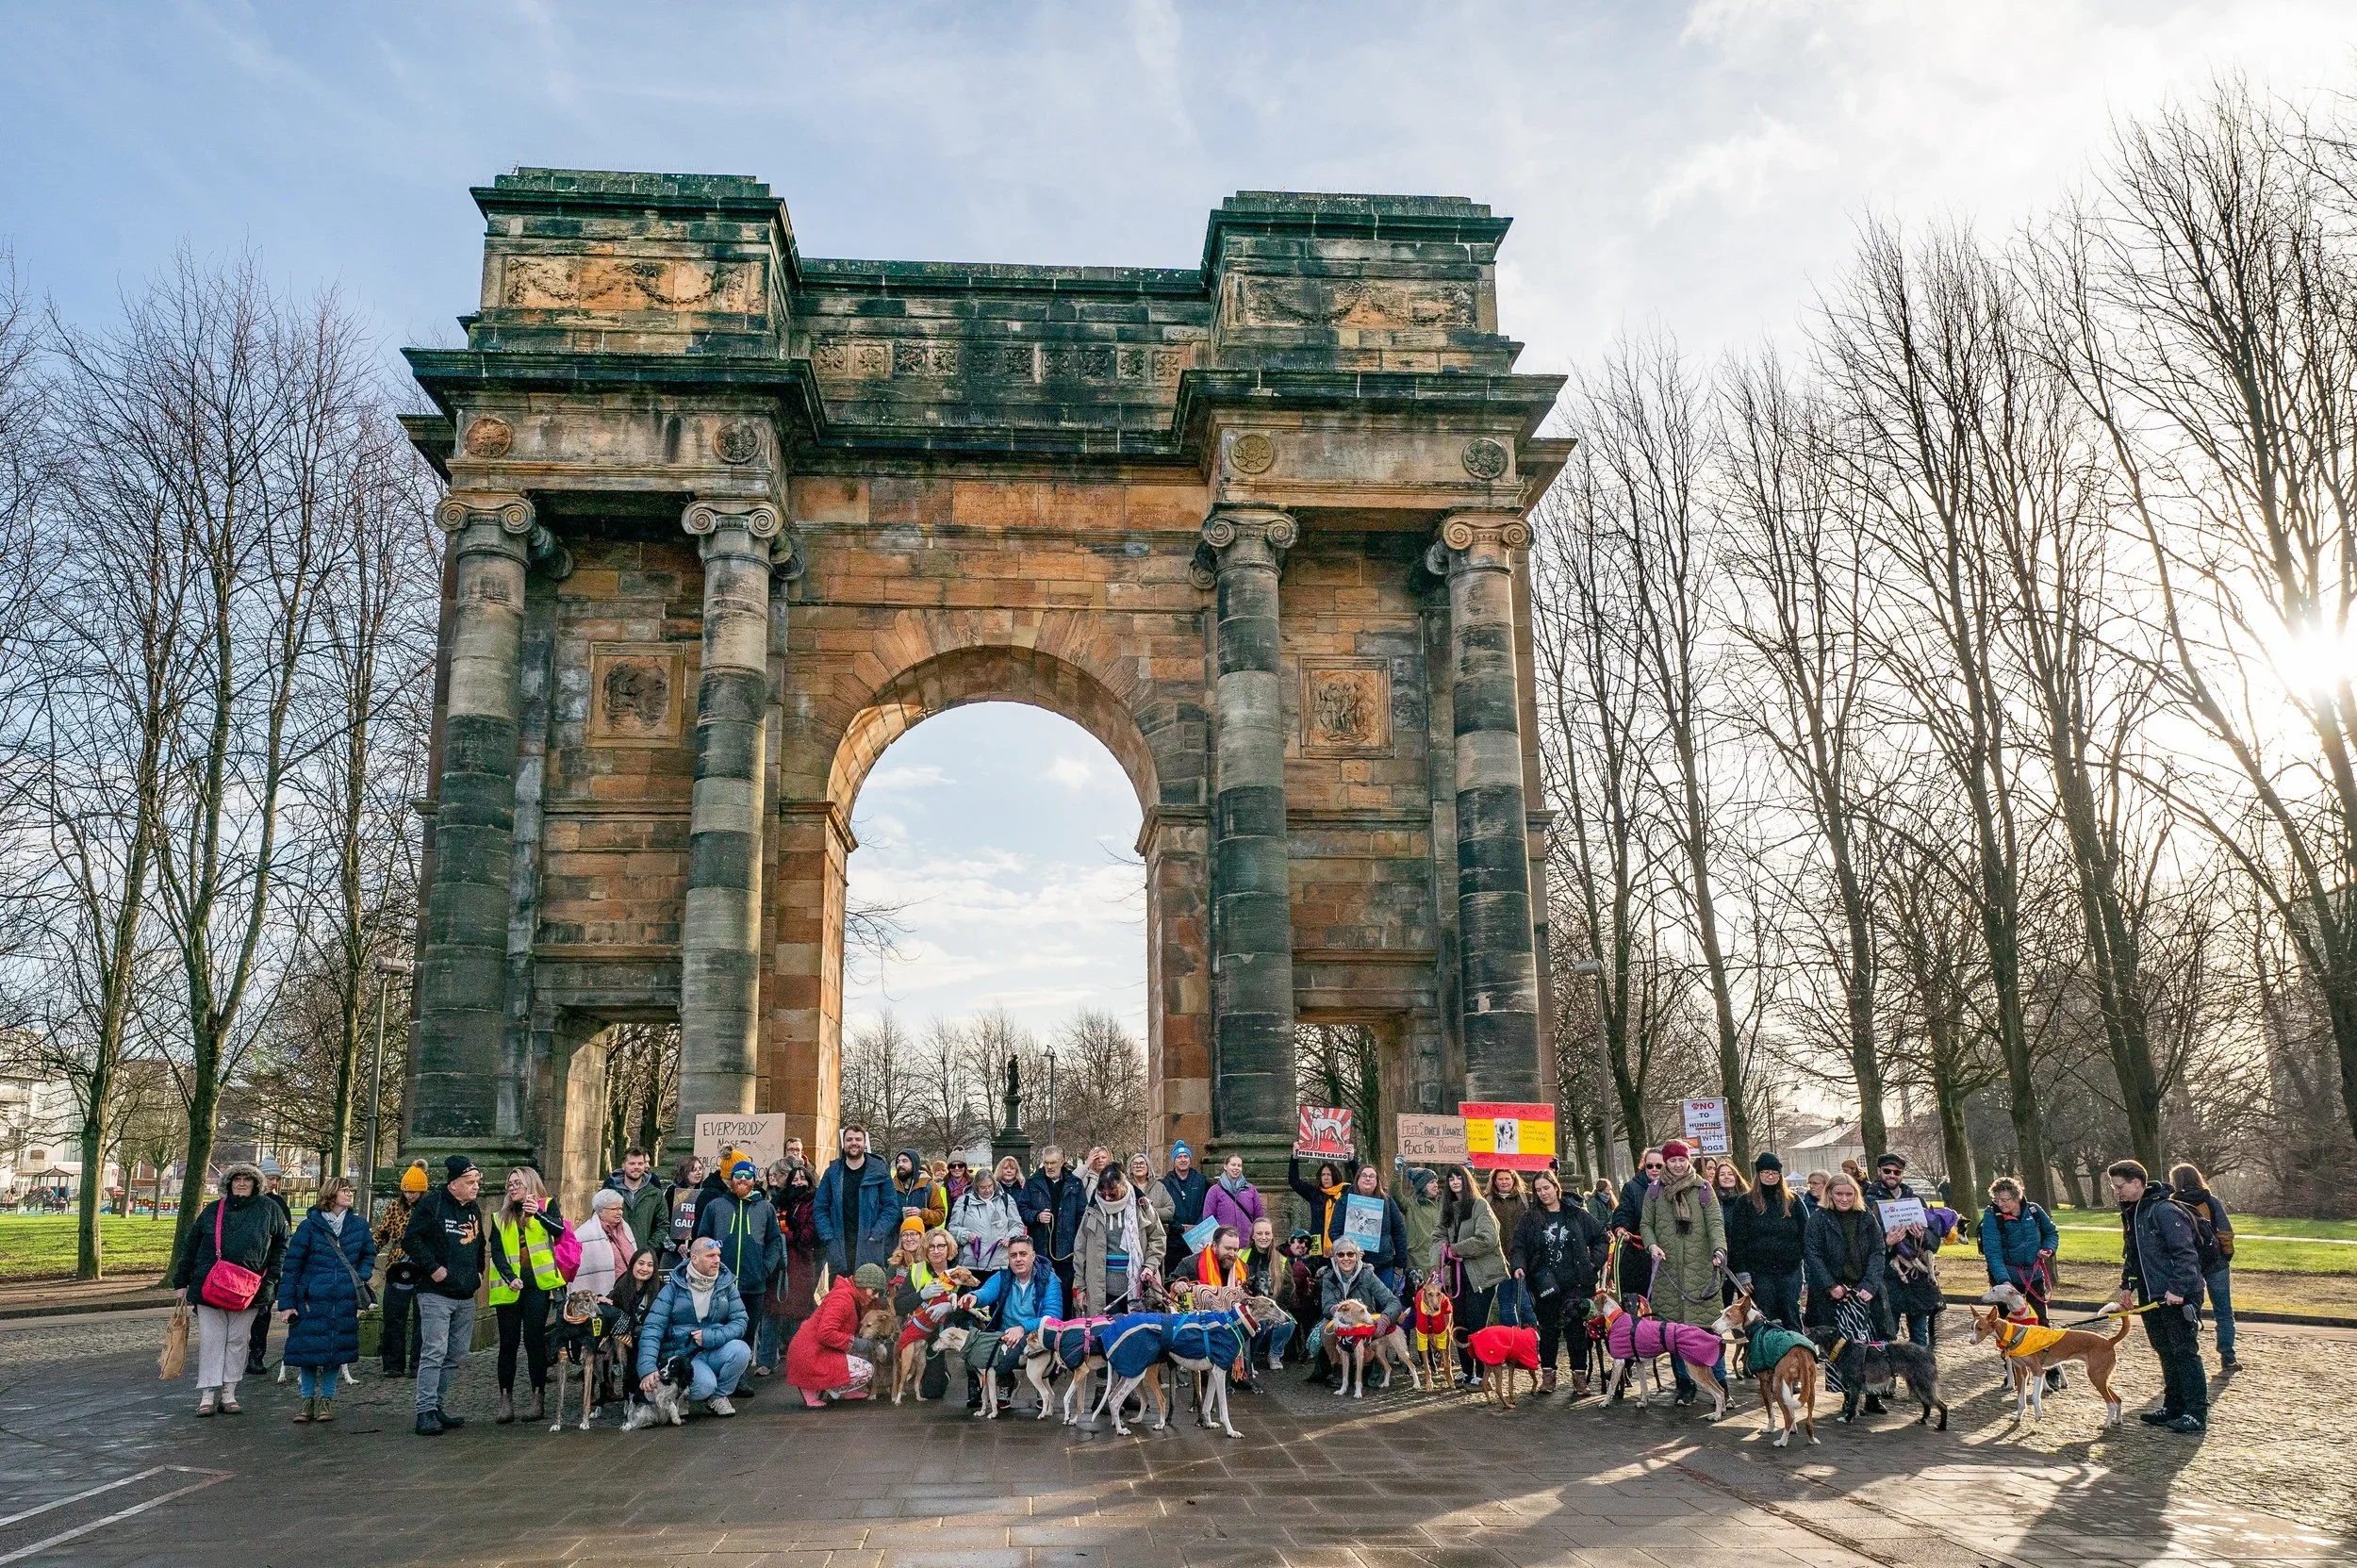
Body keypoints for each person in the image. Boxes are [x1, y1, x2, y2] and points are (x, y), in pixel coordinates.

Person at [172, 1160, 290, 1417]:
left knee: (237, 1341)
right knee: (212, 1341)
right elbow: (191, 1245)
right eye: (237, 1180)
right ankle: (207, 1393)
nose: (242, 1184)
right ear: (228, 1184)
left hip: (250, 1288)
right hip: (210, 1285)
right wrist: (181, 1281)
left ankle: (229, 1392)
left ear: (255, 1184)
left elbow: (282, 1244)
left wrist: (271, 1278)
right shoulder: (213, 1210)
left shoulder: (270, 1210)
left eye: (247, 1180)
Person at [2112, 1159, 2208, 1432]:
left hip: (2177, 1295)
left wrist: (2178, 1289)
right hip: (2152, 1295)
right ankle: (2174, 1404)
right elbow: (2132, 1254)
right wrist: (2127, 1285)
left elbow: (2185, 1254)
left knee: (2185, 1352)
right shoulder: (2134, 1213)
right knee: (2165, 1350)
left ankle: (2196, 1412)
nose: (2117, 1191)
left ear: (2136, 1183)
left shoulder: (2164, 1211)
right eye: (2114, 1186)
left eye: (2120, 1186)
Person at [276, 1176, 375, 1424]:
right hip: (311, 1299)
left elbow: (368, 1254)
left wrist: (360, 1276)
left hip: (343, 1298)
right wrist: (287, 1303)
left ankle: (327, 1401)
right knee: (308, 1352)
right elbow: (292, 1266)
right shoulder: (310, 1227)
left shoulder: (358, 1226)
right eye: (345, 1190)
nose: (350, 1193)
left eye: (350, 1189)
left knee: (335, 1351)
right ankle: (307, 1400)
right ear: (331, 1194)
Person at [403, 1154, 486, 1436]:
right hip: (436, 1292)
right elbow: (411, 1239)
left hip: (465, 1294)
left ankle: (436, 1405)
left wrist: (479, 1273)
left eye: (477, 1182)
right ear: (453, 1184)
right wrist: (434, 1268)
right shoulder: (432, 1205)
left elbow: (479, 1242)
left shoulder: (474, 1209)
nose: (475, 1187)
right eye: (470, 1181)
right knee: (434, 1351)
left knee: (457, 1352)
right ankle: (424, 1411)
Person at [1640, 1140, 1727, 1407]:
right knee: (1675, 1333)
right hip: (1669, 1273)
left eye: (1682, 1159)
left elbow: (1715, 1222)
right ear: (1665, 1162)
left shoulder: (1704, 1189)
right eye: (1673, 1160)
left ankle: (1721, 1384)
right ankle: (1685, 1386)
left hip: (1701, 1269)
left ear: (1689, 1160)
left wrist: (1719, 1250)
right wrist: (1652, 1244)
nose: (1678, 1164)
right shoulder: (1654, 1191)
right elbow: (1646, 1224)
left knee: (1709, 1332)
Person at [1509, 1169, 1607, 1396]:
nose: (1543, 1193)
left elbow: (1601, 1237)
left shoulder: (1576, 1213)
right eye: (1538, 1190)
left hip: (1576, 1283)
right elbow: (1518, 1245)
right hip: (1544, 1284)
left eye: (1547, 1188)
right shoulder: (1529, 1218)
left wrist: (1593, 1262)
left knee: (1576, 1331)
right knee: (1549, 1330)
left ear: (1556, 1187)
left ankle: (1579, 1378)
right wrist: (1518, 1265)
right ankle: (1548, 1376)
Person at [487, 1165, 570, 1425]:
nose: (512, 1187)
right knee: (508, 1344)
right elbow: (498, 1253)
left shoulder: (546, 1205)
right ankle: (505, 1399)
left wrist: (538, 1215)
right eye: (510, 1183)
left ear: (530, 1185)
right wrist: (509, 1277)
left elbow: (559, 1232)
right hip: (509, 1287)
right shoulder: (499, 1217)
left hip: (538, 1286)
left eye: (517, 1183)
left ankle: (538, 1398)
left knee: (533, 1341)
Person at [636, 1236, 751, 1418]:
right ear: (694, 1258)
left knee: (741, 1350)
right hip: (683, 1357)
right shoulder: (672, 1289)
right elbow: (652, 1329)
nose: (717, 1260)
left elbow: (740, 1322)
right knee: (705, 1385)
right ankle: (683, 1398)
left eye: (718, 1255)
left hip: (713, 1350)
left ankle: (719, 1397)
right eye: (710, 1255)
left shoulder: (727, 1285)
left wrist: (711, 1336)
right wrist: (648, 1368)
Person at [1805, 1171, 1886, 1409]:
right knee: (1839, 1347)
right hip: (1833, 1293)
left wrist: (1870, 1284)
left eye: (1849, 1194)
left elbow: (1877, 1252)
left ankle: (1873, 1394)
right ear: (1830, 1194)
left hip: (1864, 1292)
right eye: (1839, 1194)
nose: (1844, 1198)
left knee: (1869, 1344)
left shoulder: (1866, 1218)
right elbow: (1813, 1255)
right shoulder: (1818, 1220)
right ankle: (1847, 1396)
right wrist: (1830, 1285)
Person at [961, 1235, 1062, 1412]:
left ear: (1033, 1256)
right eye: (1013, 1255)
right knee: (979, 1352)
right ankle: (1006, 1381)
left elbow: (1052, 1317)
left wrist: (1023, 1328)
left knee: (1047, 1344)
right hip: (1004, 1334)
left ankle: (1044, 1385)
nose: (1018, 1259)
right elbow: (987, 1291)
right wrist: (974, 1297)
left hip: (1037, 1334)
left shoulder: (1049, 1279)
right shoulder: (1003, 1276)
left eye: (1023, 1254)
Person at [1431, 1165, 1507, 1387]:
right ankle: (1466, 1372)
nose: (1455, 1182)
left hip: (1480, 1277)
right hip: (1456, 1278)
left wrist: (1456, 1249)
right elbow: (1437, 1237)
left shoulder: (1479, 1205)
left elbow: (1488, 1238)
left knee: (1477, 1327)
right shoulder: (1447, 1210)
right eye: (1451, 1178)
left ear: (1467, 1180)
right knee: (1460, 1324)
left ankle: (1483, 1375)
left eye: (1459, 1177)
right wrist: (1436, 1263)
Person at [696, 1158, 783, 1343]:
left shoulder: (766, 1208)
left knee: (748, 1335)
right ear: (731, 1179)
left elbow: (775, 1241)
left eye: (748, 1175)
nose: (743, 1179)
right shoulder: (715, 1206)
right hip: (720, 1286)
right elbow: (703, 1239)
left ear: (754, 1180)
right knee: (719, 1333)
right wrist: (710, 1266)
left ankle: (743, 1371)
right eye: (738, 1175)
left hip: (753, 1285)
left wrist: (765, 1268)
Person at [786, 1262, 894, 1408]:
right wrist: (855, 1343)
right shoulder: (841, 1299)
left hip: (816, 1351)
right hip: (809, 1355)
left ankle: (841, 1389)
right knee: (865, 1369)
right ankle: (811, 1387)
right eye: (873, 1290)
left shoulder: (851, 1296)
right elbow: (826, 1333)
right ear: (863, 1285)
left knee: (862, 1357)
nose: (875, 1296)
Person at [2169, 1163, 2239, 1373]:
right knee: (2224, 1311)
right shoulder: (2210, 1201)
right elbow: (2225, 1231)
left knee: (2190, 1310)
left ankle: (2190, 1354)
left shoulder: (2172, 1204)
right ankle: (2228, 1355)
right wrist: (2226, 1255)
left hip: (2188, 1264)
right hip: (2215, 1262)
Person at [1726, 1152, 1808, 1330]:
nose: (1770, 1176)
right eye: (1765, 1173)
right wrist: (1741, 1271)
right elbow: (1737, 1240)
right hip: (1759, 1271)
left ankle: (1798, 1354)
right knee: (1765, 1316)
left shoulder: (1793, 1201)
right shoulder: (1745, 1202)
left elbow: (1805, 1235)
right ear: (1758, 1175)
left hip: (1789, 1269)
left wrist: (1803, 1265)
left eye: (1774, 1173)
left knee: (1791, 1314)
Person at [1869, 1152, 1943, 1346]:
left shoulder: (1917, 1200)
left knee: (1919, 1336)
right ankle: (1887, 1377)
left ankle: (1920, 1376)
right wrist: (1887, 1241)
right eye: (1887, 1171)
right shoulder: (1867, 1202)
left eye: (1897, 1172)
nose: (1891, 1175)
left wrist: (1922, 1236)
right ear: (1879, 1171)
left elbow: (1934, 1242)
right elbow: (1862, 1244)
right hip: (1887, 1277)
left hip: (1915, 1279)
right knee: (1886, 1335)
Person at [1309, 1237, 1401, 1385]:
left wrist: (1385, 1319)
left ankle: (1370, 1365)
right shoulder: (1328, 1277)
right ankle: (1338, 1368)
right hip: (1340, 1322)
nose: (1346, 1258)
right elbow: (1327, 1307)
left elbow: (1393, 1302)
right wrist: (1338, 1311)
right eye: (1341, 1254)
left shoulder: (1367, 1275)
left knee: (1370, 1345)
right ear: (1334, 1258)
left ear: (1357, 1256)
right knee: (1326, 1329)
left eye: (1350, 1254)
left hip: (1364, 1323)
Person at [758, 1162, 820, 1378]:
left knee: (797, 1314)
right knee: (771, 1311)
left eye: (802, 1179)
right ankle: (766, 1360)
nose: (798, 1183)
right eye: (794, 1180)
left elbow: (808, 1234)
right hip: (778, 1264)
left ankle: (798, 1359)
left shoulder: (814, 1203)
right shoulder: (779, 1203)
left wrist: (784, 1236)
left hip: (801, 1262)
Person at [1075, 1163, 1163, 1313]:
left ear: (1125, 1184)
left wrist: (1150, 1265)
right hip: (1101, 1292)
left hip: (1138, 1289)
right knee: (1105, 1334)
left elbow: (1158, 1239)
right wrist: (1081, 1286)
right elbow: (1080, 1249)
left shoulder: (1142, 1206)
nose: (1107, 1198)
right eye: (1103, 1194)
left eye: (1113, 1193)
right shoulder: (1092, 1210)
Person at [815, 1125, 898, 1276]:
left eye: (858, 1139)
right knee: (840, 1297)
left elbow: (891, 1208)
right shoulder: (832, 1173)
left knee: (868, 1297)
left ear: (864, 1143)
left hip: (869, 1246)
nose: (853, 1143)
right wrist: (828, 1237)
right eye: (849, 1139)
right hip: (839, 1248)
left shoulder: (879, 1171)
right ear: (843, 1143)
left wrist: (877, 1234)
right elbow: (820, 1208)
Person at [373, 1160, 430, 1378]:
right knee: (393, 1316)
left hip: (423, 1266)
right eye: (406, 1191)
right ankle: (393, 1364)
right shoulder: (395, 1207)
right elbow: (383, 1232)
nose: (408, 1195)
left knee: (422, 1318)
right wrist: (370, 1250)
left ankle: (418, 1364)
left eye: (413, 1192)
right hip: (398, 1265)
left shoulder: (429, 1208)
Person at [243, 1157, 296, 1377]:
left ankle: (256, 1356)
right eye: (270, 1177)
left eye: (276, 1178)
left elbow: (284, 1235)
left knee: (262, 1313)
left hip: (267, 1266)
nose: (273, 1182)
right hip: (246, 1265)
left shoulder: (279, 1203)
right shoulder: (247, 1201)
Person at [1021, 1144, 1087, 1305]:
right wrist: (1036, 1216)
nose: (1049, 1167)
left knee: (1064, 1294)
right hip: (1041, 1249)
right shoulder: (1032, 1183)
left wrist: (1079, 1243)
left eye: (1053, 1163)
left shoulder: (1075, 1183)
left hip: (1066, 1251)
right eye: (1046, 1163)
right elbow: (1021, 1209)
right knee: (1041, 1293)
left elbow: (1082, 1215)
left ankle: (1063, 1327)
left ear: (1062, 1161)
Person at [1240, 1216, 1297, 1372]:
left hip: (1273, 1306)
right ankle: (1249, 1358)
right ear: (1252, 1235)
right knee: (1260, 1323)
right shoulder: (1240, 1256)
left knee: (1288, 1323)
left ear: (1272, 1236)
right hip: (1249, 1307)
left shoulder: (1281, 1260)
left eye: (1267, 1233)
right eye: (1259, 1233)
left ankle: (1275, 1354)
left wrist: (1277, 1311)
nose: (1263, 1237)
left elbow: (1288, 1289)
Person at [948, 1161, 1025, 1277]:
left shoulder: (1006, 1200)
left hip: (1000, 1263)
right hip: (971, 1266)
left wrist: (1010, 1237)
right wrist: (966, 1235)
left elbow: (1017, 1225)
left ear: (994, 1184)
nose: (987, 1190)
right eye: (982, 1187)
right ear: (976, 1187)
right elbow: (952, 1229)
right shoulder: (964, 1201)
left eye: (990, 1186)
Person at [606, 1246, 662, 1404]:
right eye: (641, 1263)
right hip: (626, 1338)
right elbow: (611, 1301)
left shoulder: (660, 1288)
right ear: (633, 1264)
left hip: (648, 1338)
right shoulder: (623, 1284)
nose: (645, 1269)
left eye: (650, 1265)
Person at [603, 1145, 673, 1259]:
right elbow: (598, 1220)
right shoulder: (609, 1192)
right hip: (613, 1256)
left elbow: (662, 1225)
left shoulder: (655, 1194)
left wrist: (649, 1248)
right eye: (632, 1163)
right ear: (623, 1165)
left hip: (643, 1257)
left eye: (640, 1164)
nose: (636, 1167)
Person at [1487, 1167, 1535, 1325]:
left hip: (1523, 1258)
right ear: (1494, 1181)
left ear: (1513, 1179)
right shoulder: (1487, 1201)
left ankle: (1534, 1339)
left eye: (1507, 1178)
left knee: (1526, 1304)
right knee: (1506, 1305)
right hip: (1499, 1260)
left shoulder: (1526, 1199)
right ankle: (1512, 1339)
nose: (1504, 1182)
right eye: (1500, 1179)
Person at [1611, 1150, 1659, 1301]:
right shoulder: (1632, 1188)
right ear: (1644, 1165)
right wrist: (1621, 1228)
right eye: (1650, 1165)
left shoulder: (1672, 1188)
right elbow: (1623, 1212)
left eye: (1659, 1166)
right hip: (1640, 1253)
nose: (1654, 1169)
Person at [1287, 1155, 1355, 1257]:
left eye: (1329, 1175)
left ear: (1335, 1176)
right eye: (1323, 1175)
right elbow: (1294, 1181)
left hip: (1340, 1242)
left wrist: (1351, 1160)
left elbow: (1360, 1182)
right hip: (1317, 1242)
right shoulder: (1315, 1193)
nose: (1326, 1178)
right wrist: (1294, 1158)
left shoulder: (1345, 1191)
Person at [574, 1187, 635, 1299]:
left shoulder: (625, 1229)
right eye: (614, 1209)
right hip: (602, 1293)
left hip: (628, 1288)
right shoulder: (584, 1234)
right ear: (601, 1211)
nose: (619, 1212)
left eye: (620, 1208)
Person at [1160, 1141, 1210, 1275]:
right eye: (1179, 1157)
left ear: (1190, 1159)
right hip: (1174, 1240)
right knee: (1174, 1277)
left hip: (1197, 1238)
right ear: (1174, 1160)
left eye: (1185, 1157)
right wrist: (1180, 1227)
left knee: (1196, 1276)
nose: (1183, 1160)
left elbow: (1206, 1205)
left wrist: (1197, 1226)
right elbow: (1164, 1209)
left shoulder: (1200, 1180)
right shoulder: (1166, 1183)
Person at [1204, 1152, 1265, 1244]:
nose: (1236, 1168)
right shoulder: (1214, 1191)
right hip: (1224, 1244)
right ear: (1225, 1166)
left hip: (1246, 1242)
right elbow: (1208, 1219)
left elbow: (1259, 1216)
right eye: (1233, 1165)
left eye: (1239, 1165)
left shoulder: (1250, 1189)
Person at [890, 1147, 948, 1231]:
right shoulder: (891, 1186)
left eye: (905, 1161)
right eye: (898, 1162)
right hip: (895, 1240)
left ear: (914, 1164)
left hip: (923, 1239)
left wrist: (922, 1213)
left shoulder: (928, 1185)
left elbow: (940, 1216)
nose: (900, 1164)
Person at [1129, 1151, 1176, 1232]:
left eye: (1142, 1163)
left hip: (1156, 1235)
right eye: (1135, 1164)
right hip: (1132, 1234)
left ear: (1148, 1167)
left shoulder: (1159, 1187)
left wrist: (1150, 1211)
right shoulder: (1126, 1187)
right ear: (1131, 1168)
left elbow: (1170, 1211)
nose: (1138, 1166)